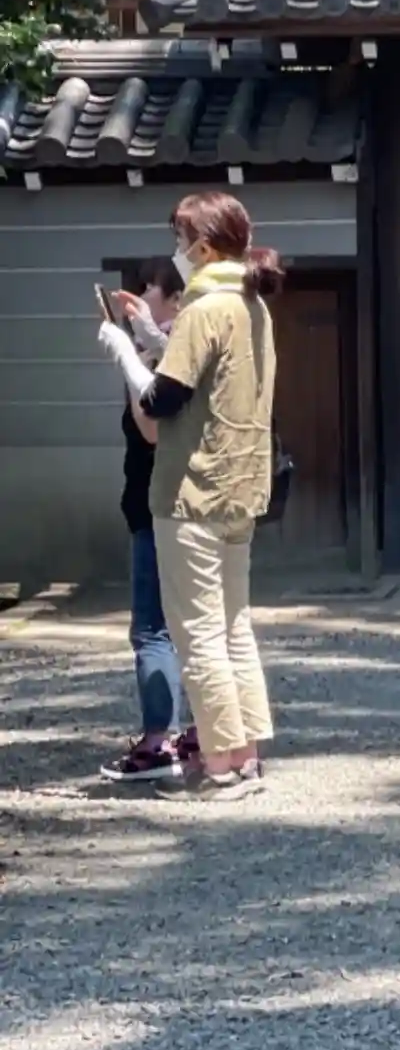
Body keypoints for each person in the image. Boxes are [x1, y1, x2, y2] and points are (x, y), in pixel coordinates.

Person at [98, 192, 282, 800]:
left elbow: (160, 401)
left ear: (202, 247)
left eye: (180, 240)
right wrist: (154, 338)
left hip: (192, 493)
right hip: (240, 490)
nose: (176, 251)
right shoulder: (251, 304)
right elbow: (202, 380)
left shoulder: (204, 309)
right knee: (234, 626)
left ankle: (220, 763)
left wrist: (126, 351)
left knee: (199, 632)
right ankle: (246, 755)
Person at [99, 258, 192, 782]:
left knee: (153, 628)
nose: (137, 296)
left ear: (174, 298)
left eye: (148, 288)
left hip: (160, 506)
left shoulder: (171, 351)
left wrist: (130, 357)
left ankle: (159, 740)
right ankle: (201, 732)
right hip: (178, 505)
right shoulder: (180, 346)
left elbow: (154, 429)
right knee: (192, 624)